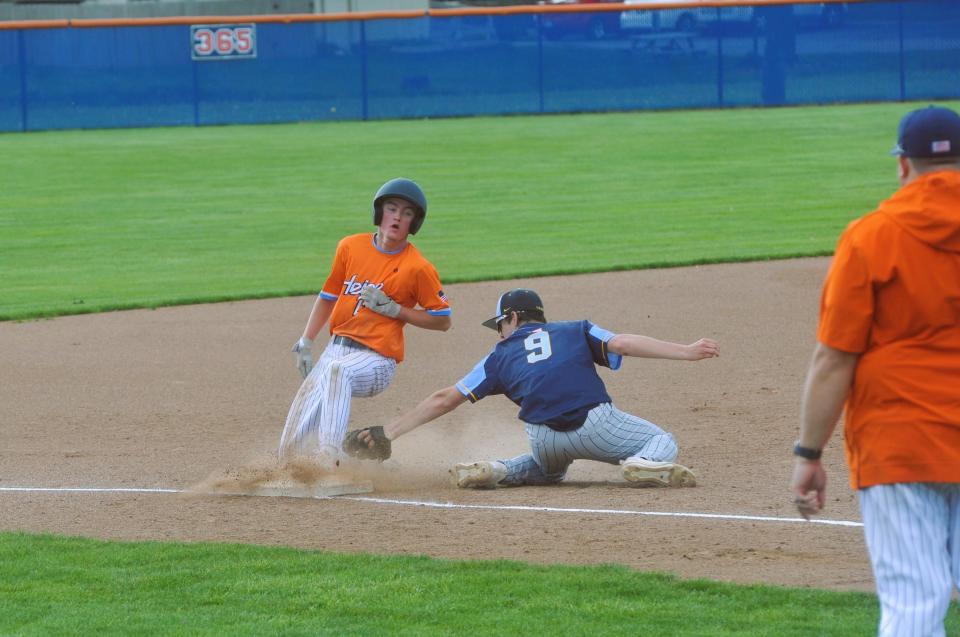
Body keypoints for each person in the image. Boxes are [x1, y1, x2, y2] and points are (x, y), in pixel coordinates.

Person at [790, 105, 960, 637]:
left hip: (899, 442)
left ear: (903, 165)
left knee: (913, 603)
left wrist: (809, 454)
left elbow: (835, 358)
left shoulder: (871, 237)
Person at [352, 288, 719, 488]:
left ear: (513, 318)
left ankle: (497, 470)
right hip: (597, 426)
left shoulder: (499, 356)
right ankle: (642, 464)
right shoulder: (576, 329)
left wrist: (389, 433)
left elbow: (445, 399)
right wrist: (686, 352)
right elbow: (622, 343)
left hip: (544, 440)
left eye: (500, 324)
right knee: (664, 441)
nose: (499, 332)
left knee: (550, 472)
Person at [277, 178, 451, 466]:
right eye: (392, 208)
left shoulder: (417, 267)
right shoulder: (350, 247)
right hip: (335, 349)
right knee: (289, 449)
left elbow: (443, 319)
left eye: (406, 213)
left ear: (414, 222)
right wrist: (306, 341)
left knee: (336, 372)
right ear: (379, 212)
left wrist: (398, 311)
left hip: (377, 360)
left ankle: (329, 458)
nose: (397, 216)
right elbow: (328, 296)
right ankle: (333, 461)